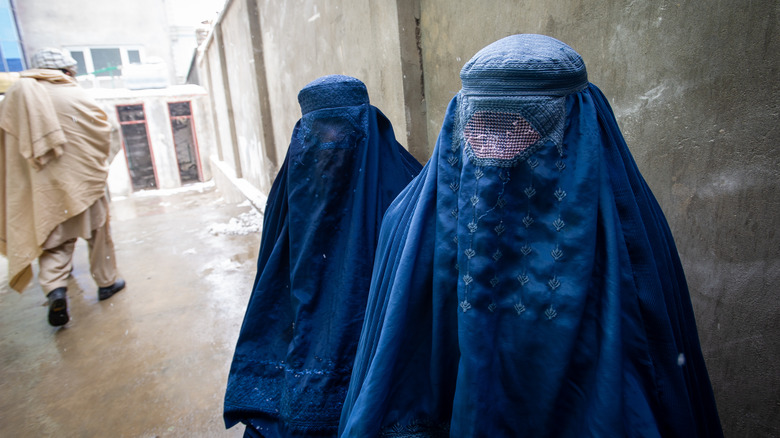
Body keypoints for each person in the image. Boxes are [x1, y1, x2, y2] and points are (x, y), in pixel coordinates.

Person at [339, 35, 723, 437]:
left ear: (576, 126)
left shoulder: (627, 241)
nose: (494, 148)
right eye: (481, 127)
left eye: (517, 126)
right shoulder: (408, 227)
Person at [223, 75, 422, 437]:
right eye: (320, 131)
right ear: (303, 134)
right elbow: (272, 273)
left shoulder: (408, 184)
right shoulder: (291, 188)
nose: (331, 141)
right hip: (308, 327)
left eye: (342, 128)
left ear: (365, 123)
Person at [0, 48, 125, 327]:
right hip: (83, 182)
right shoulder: (74, 94)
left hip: (42, 190)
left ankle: (56, 290)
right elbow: (109, 132)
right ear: (67, 72)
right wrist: (96, 164)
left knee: (54, 243)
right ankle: (106, 283)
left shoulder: (14, 98)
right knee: (98, 233)